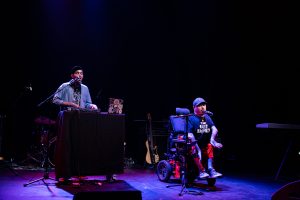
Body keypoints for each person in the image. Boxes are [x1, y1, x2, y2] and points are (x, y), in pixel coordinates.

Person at [52, 66, 116, 183]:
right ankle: (66, 173)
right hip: (68, 119)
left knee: (80, 145)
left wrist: (92, 106)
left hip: (81, 119)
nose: (80, 75)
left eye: (82, 73)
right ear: (72, 75)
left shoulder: (85, 88)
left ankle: (80, 172)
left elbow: (87, 103)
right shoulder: (65, 86)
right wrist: (69, 103)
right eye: (77, 73)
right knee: (68, 145)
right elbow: (55, 100)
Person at [188, 97, 223, 179]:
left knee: (210, 145)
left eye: (204, 105)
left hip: (204, 144)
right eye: (199, 105)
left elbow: (214, 129)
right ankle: (202, 171)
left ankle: (211, 170)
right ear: (194, 107)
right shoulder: (190, 118)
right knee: (194, 149)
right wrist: (198, 148)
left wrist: (212, 139)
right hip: (194, 144)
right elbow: (190, 135)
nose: (203, 107)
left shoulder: (207, 116)